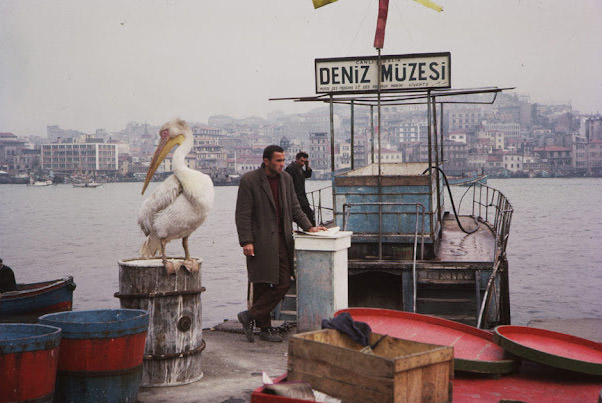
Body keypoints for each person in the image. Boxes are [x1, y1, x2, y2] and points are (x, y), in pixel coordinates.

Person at [235, 145, 326, 342]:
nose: (282, 164)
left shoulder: (286, 179)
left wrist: (309, 227)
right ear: (266, 161)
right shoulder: (249, 181)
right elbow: (242, 215)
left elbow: (295, 207)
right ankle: (265, 329)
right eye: (278, 161)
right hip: (259, 241)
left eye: (284, 160)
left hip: (283, 239)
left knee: (284, 282)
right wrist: (246, 241)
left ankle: (249, 316)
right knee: (260, 283)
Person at [285, 151, 315, 226]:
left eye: (304, 161)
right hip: (296, 198)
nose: (302, 163)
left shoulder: (300, 168)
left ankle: (311, 229)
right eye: (301, 161)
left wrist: (307, 166)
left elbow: (307, 175)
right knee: (307, 215)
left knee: (309, 214)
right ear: (297, 159)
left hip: (301, 197)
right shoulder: (290, 169)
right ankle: (311, 229)